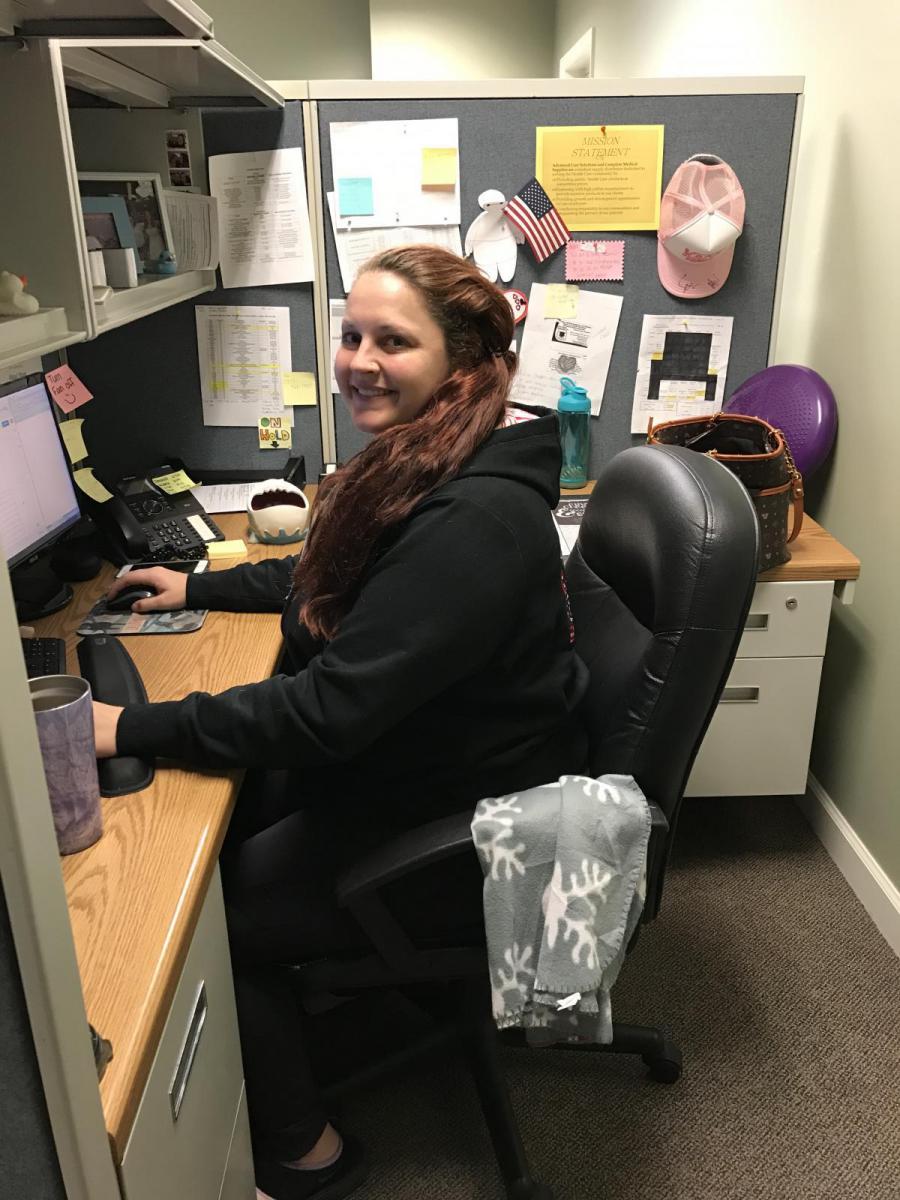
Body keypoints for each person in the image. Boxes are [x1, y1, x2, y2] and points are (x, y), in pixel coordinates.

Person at [94, 245, 589, 1200]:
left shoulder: (473, 519)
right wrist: (196, 584)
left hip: (471, 824)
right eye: (352, 334)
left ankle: (310, 1156)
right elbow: (339, 579)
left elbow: (326, 715)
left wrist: (133, 730)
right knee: (227, 819)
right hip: (429, 756)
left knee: (208, 915)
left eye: (392, 340)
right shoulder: (437, 459)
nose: (359, 358)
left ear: (466, 361)